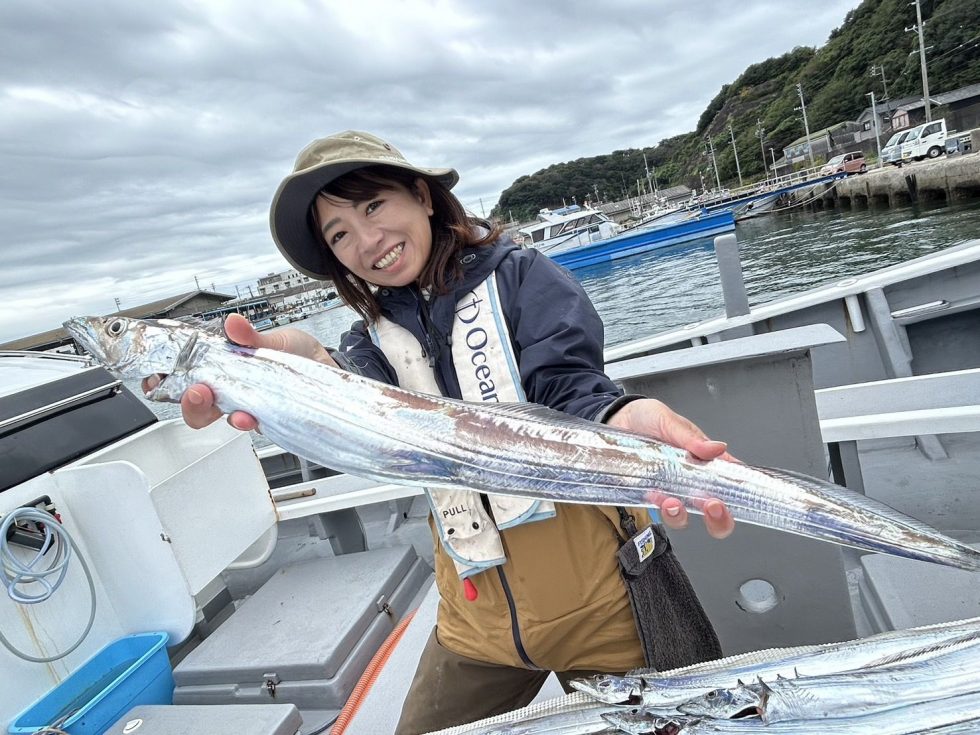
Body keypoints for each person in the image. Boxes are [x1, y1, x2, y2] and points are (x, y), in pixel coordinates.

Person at [154, 130, 736, 734]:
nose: (367, 241)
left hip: (605, 606)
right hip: (475, 623)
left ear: (423, 196)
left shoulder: (520, 277)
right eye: (339, 235)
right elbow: (365, 423)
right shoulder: (367, 344)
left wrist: (621, 418)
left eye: (373, 206)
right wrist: (310, 378)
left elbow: (568, 386)